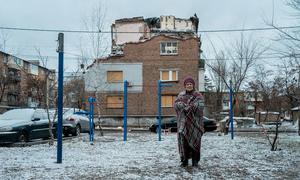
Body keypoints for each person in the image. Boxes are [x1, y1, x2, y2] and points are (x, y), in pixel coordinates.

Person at [174, 76, 205, 167]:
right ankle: (184, 161)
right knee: (184, 143)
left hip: (195, 124)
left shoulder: (198, 95)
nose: (189, 85)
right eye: (187, 84)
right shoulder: (181, 95)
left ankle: (195, 161)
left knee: (195, 143)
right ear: (185, 85)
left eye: (190, 84)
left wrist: (190, 107)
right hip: (183, 124)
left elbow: (201, 106)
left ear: (193, 85)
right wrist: (182, 105)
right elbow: (176, 105)